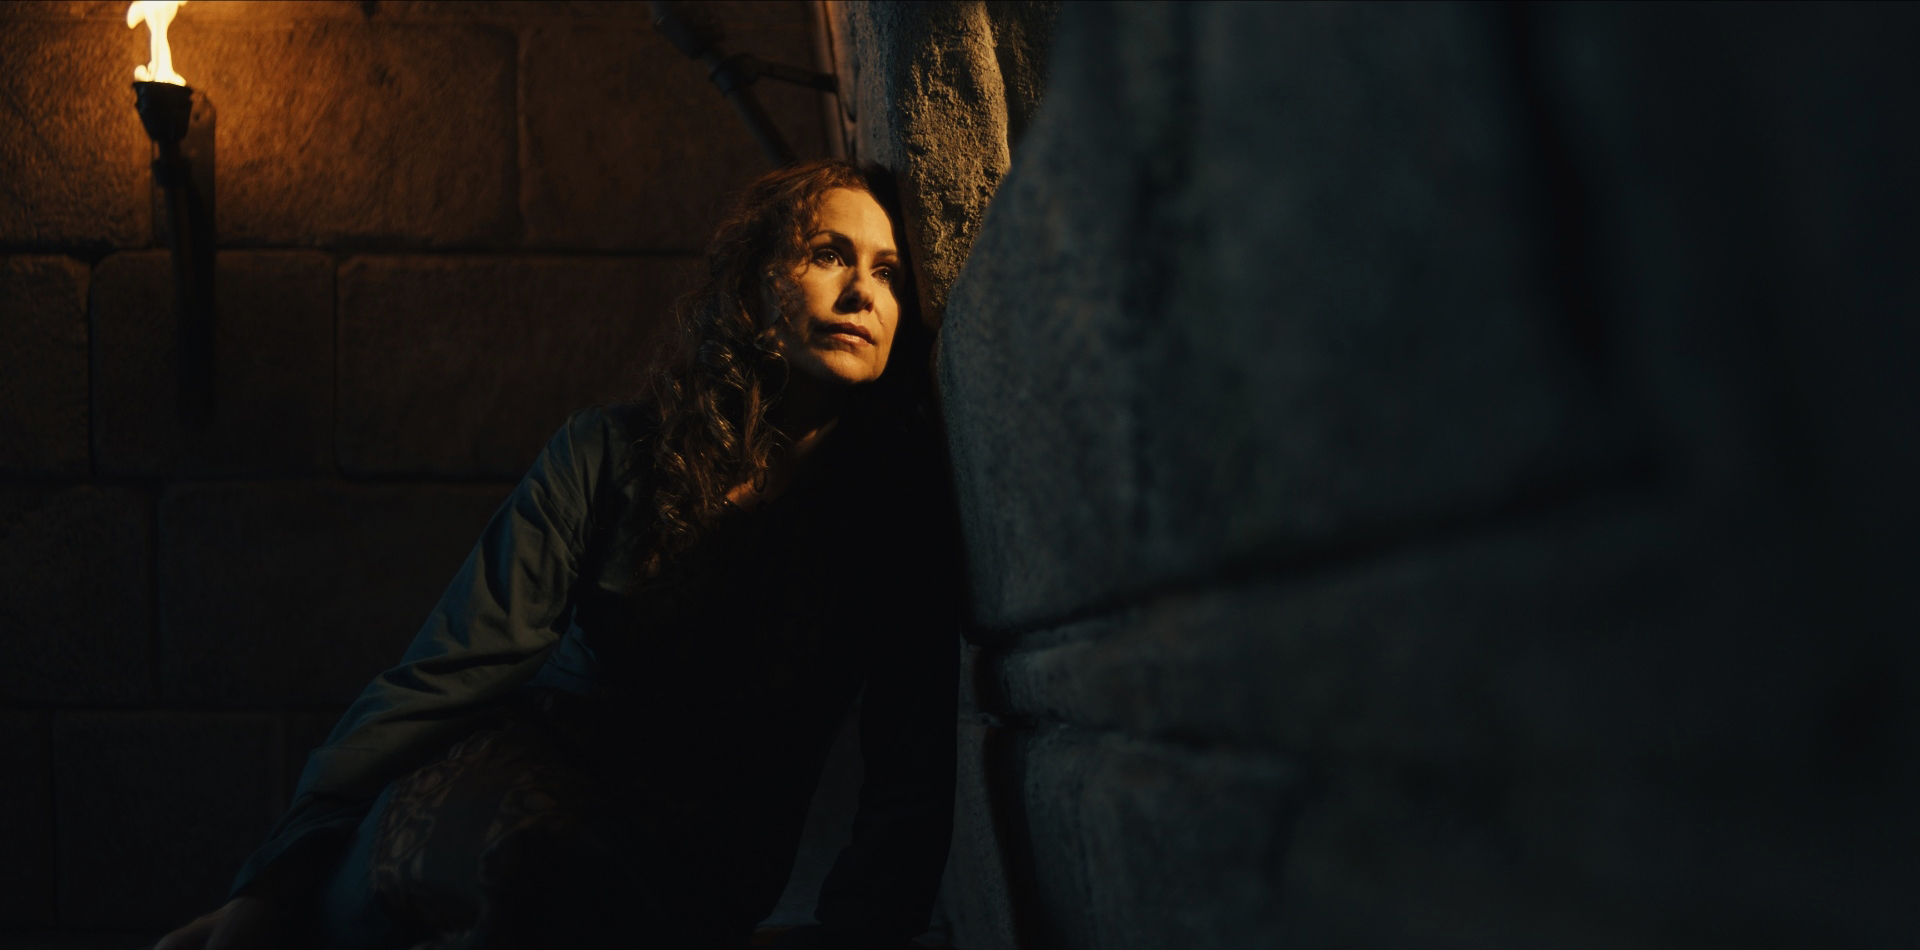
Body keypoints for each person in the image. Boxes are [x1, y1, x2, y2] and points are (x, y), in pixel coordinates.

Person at [156, 159, 963, 950]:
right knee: (504, 862)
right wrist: (274, 878)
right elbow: (447, 675)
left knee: (558, 884)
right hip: (504, 800)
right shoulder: (611, 453)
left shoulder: (895, 514)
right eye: (828, 255)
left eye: (889, 273)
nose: (863, 293)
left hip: (682, 870)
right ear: (754, 288)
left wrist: (856, 932)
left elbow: (914, 760)